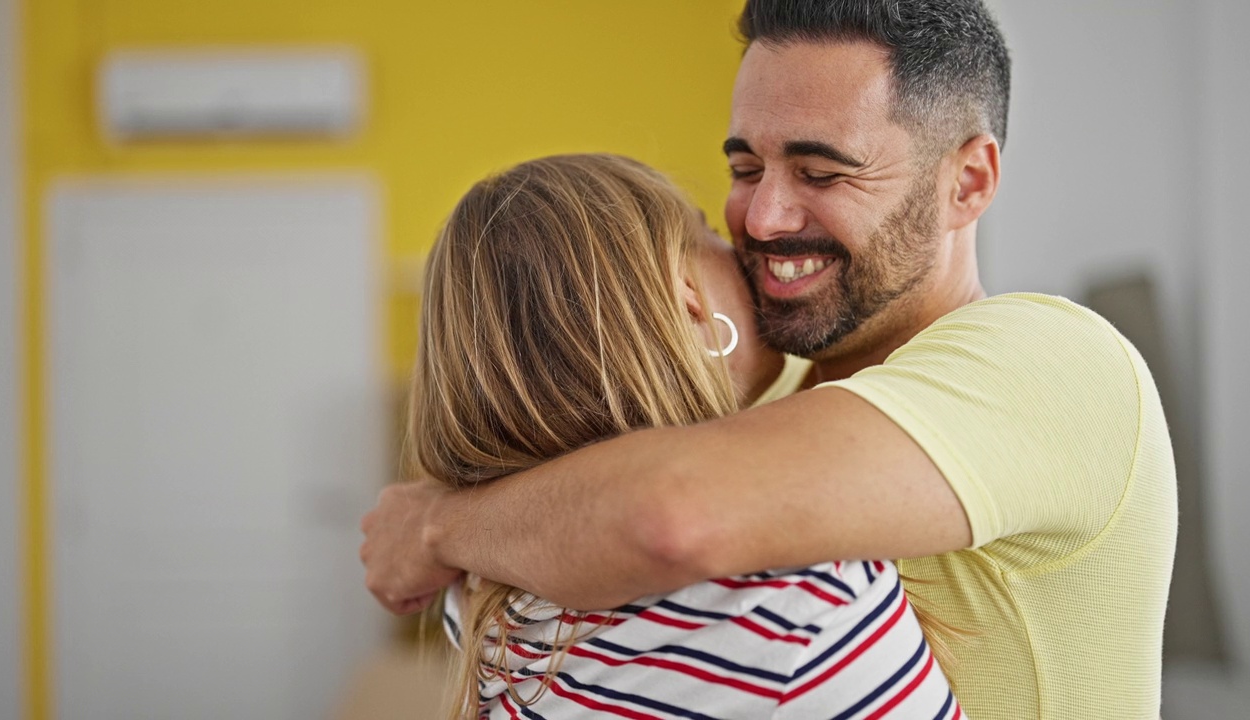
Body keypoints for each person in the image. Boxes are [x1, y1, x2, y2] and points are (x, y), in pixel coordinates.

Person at [361, 2, 1177, 718]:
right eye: (745, 167)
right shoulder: (752, 387)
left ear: (967, 181)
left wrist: (441, 525)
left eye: (821, 171)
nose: (763, 215)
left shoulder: (1054, 362)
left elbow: (673, 515)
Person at [410, 153, 960, 719]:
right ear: (690, 301)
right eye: (710, 233)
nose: (747, 246)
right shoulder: (806, 602)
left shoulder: (484, 590)